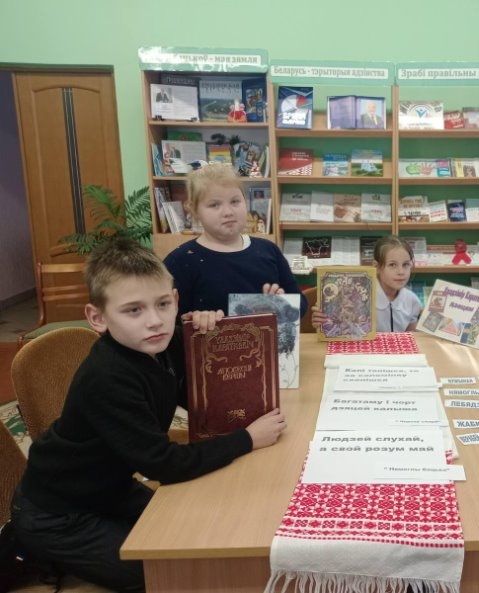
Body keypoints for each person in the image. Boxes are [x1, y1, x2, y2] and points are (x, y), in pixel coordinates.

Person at [10, 237, 287, 593]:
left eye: (162, 304)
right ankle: (42, 555)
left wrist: (208, 334)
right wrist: (247, 439)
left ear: (176, 300)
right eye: (133, 310)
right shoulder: (108, 377)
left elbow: (204, 395)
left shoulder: (164, 342)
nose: (155, 322)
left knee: (197, 537)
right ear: (98, 318)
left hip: (111, 488)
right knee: (170, 575)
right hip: (58, 515)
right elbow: (163, 464)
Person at [163, 163, 307, 319]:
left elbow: (301, 304)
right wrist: (194, 320)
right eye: (214, 205)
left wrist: (282, 303)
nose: (228, 212)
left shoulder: (269, 250)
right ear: (195, 210)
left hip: (268, 335)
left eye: (235, 201)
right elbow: (166, 321)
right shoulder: (180, 261)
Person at [312, 235, 421, 332]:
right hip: (363, 348)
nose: (401, 272)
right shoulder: (357, 297)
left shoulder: (412, 301)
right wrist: (322, 321)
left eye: (406, 264)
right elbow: (338, 328)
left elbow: (411, 337)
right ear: (376, 267)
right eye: (392, 265)